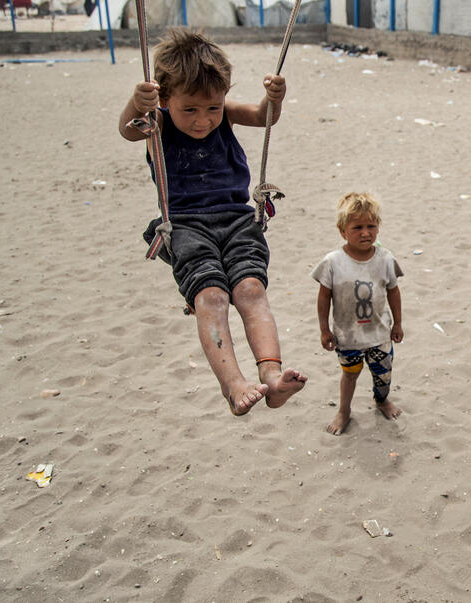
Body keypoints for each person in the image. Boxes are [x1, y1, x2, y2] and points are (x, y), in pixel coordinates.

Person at [118, 28, 306, 416]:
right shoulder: (157, 122)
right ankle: (234, 384)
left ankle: (270, 376)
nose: (203, 120)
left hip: (237, 218)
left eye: (213, 108)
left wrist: (275, 99)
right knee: (212, 297)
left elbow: (262, 117)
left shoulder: (224, 115)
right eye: (190, 109)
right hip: (185, 225)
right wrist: (137, 105)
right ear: (166, 99)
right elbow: (127, 130)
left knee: (251, 290)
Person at [312, 192, 404, 435]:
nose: (365, 232)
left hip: (380, 335)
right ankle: (344, 410)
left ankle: (382, 401)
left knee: (383, 374)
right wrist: (324, 329)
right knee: (349, 375)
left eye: (371, 226)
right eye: (358, 227)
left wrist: (398, 324)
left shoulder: (385, 259)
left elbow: (394, 292)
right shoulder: (333, 262)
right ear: (343, 230)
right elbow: (323, 298)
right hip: (348, 337)